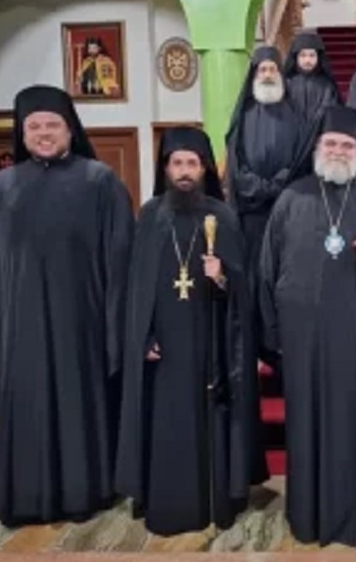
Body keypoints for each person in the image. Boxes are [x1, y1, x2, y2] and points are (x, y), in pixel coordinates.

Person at [259, 106, 356, 548]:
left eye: (347, 145)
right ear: (316, 147)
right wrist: (275, 337)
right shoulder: (291, 199)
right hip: (305, 342)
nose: (338, 150)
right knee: (309, 425)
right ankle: (312, 515)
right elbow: (267, 271)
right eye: (330, 143)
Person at [0, 84, 133, 526]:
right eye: (34, 126)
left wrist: (115, 332)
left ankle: (81, 493)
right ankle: (26, 497)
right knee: (26, 403)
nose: (43, 133)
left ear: (71, 130)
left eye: (52, 124)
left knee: (78, 405)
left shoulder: (99, 181)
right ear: (22, 134)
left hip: (80, 322)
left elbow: (121, 261)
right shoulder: (2, 187)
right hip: (19, 325)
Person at [116, 127, 250, 535]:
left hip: (209, 343)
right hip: (164, 348)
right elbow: (136, 286)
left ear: (205, 168)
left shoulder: (223, 216)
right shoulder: (150, 215)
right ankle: (165, 501)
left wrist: (222, 276)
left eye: (192, 163)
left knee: (208, 417)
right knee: (165, 422)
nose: (185, 171)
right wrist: (143, 335)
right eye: (177, 163)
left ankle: (213, 501)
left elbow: (243, 290)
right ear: (166, 168)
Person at [224, 45, 304, 485]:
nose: (269, 73)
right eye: (263, 68)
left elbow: (302, 163)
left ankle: (281, 347)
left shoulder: (296, 118)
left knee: (284, 285)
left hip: (287, 219)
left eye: (274, 67)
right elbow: (236, 170)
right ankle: (257, 347)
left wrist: (280, 189)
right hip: (251, 220)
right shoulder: (241, 120)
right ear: (254, 74)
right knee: (253, 284)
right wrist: (262, 188)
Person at [284, 32, 339, 126]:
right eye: (303, 55)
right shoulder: (286, 84)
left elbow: (329, 112)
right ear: (296, 57)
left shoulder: (327, 85)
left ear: (318, 57)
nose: (307, 60)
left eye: (312, 55)